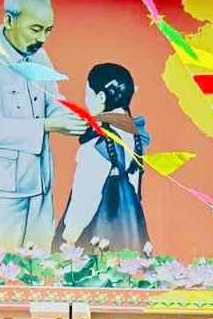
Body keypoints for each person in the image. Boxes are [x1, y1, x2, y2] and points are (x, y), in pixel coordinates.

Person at [0, 0, 91, 250]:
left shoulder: (39, 57)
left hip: (38, 187)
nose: (42, 38)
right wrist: (49, 125)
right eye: (35, 29)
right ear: (9, 21)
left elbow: (52, 101)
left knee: (39, 268)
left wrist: (76, 119)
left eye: (48, 30)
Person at [56, 60, 149, 250]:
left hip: (98, 230)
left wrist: (69, 235)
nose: (86, 100)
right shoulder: (135, 134)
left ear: (100, 97)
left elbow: (86, 196)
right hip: (130, 226)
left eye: (87, 94)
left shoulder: (97, 143)